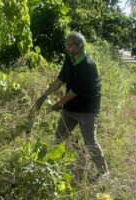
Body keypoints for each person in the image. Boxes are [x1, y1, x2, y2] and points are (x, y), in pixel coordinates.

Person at [35, 32, 109, 180]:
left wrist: (59, 103)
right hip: (71, 105)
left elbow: (75, 90)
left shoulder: (88, 64)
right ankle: (54, 165)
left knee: (89, 141)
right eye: (66, 45)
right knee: (59, 136)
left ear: (80, 45)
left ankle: (104, 172)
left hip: (87, 107)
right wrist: (44, 95)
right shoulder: (69, 59)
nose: (67, 48)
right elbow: (61, 79)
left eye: (70, 45)